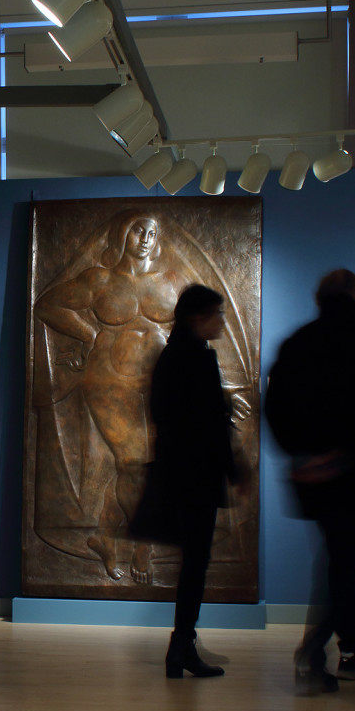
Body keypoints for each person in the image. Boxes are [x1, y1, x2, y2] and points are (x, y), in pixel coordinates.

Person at [34, 209, 187, 583]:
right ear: (121, 236)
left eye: (151, 231)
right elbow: (47, 304)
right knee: (133, 461)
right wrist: (89, 334)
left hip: (159, 380)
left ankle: (105, 537)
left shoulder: (172, 280)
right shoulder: (99, 279)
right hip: (108, 380)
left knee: (148, 464)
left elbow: (197, 322)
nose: (146, 237)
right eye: (138, 230)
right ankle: (143, 546)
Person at [266, 269, 355, 693]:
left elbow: (275, 406)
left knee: (341, 560)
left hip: (311, 474)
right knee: (342, 563)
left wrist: (302, 454)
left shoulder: (298, 341)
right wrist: (344, 454)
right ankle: (313, 653)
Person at [145, 285, 240, 678]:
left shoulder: (172, 355)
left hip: (179, 473)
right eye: (216, 314)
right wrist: (235, 469)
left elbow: (163, 414)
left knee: (193, 562)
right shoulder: (196, 359)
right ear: (197, 317)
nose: (221, 321)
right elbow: (210, 423)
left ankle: (181, 645)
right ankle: (181, 645)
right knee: (195, 564)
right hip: (196, 475)